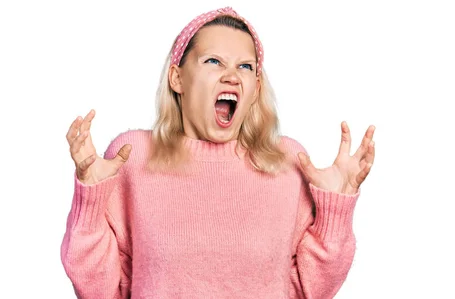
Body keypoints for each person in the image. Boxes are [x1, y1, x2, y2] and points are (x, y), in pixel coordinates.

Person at [60, 6, 376, 299]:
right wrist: (90, 201)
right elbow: (99, 290)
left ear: (256, 89)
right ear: (177, 78)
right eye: (214, 61)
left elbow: (310, 290)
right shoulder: (135, 156)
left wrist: (335, 211)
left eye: (244, 66)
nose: (231, 75)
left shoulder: (287, 163)